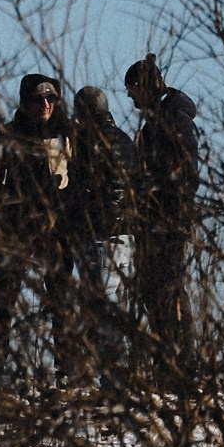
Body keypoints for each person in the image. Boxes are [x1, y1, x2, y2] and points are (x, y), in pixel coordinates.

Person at [0, 74, 77, 374]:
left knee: (61, 298)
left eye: (51, 99)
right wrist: (16, 200)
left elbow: (84, 175)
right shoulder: (10, 134)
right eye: (38, 100)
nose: (46, 105)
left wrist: (67, 199)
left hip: (57, 227)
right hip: (16, 228)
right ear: (25, 102)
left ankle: (66, 370)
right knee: (4, 299)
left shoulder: (67, 133)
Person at [124, 55, 201, 370]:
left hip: (169, 220)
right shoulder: (157, 119)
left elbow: (187, 174)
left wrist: (157, 192)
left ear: (143, 87)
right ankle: (166, 360)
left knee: (169, 289)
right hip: (153, 220)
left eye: (132, 92)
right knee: (153, 290)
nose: (131, 99)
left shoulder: (174, 119)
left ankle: (184, 363)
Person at [66, 85, 137, 370]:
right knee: (120, 306)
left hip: (101, 234)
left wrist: (88, 217)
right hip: (125, 235)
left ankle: (114, 377)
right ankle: (125, 374)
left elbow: (100, 188)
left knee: (103, 308)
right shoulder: (123, 140)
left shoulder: (91, 142)